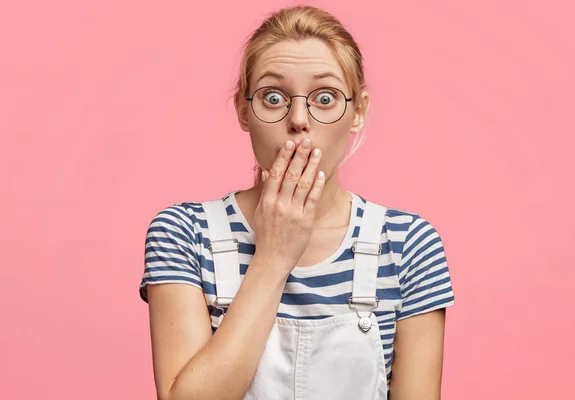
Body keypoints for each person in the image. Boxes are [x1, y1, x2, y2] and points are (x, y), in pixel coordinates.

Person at [139, 5, 455, 400]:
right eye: (274, 97)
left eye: (325, 97)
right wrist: (273, 255)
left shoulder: (408, 244)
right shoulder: (184, 233)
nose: (299, 119)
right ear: (243, 110)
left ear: (359, 110)